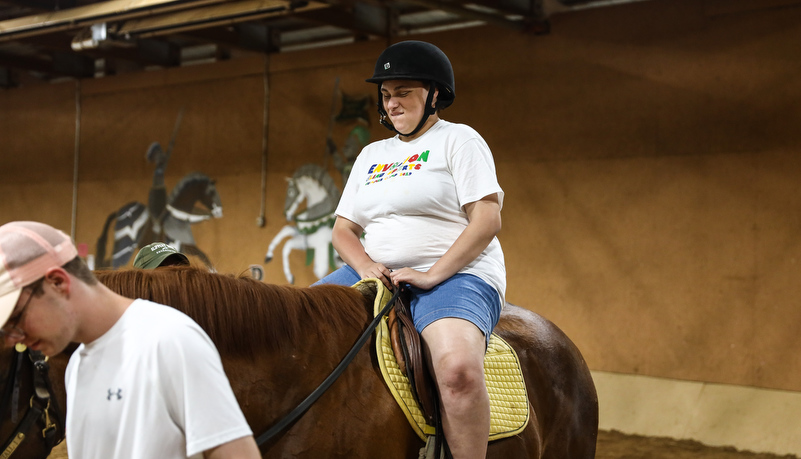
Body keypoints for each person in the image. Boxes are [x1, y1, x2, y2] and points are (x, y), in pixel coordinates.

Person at [315, 40, 506, 459]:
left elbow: (488, 219)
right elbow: (343, 230)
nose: (392, 103)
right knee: (297, 330)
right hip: (373, 270)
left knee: (458, 371)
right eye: (386, 94)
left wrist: (433, 273)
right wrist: (366, 266)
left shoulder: (459, 140)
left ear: (434, 94)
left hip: (457, 274)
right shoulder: (371, 155)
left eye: (403, 91)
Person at [0, 221, 260, 459]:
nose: (16, 337)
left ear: (58, 282)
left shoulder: (171, 340)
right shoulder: (77, 366)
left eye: (17, 318)